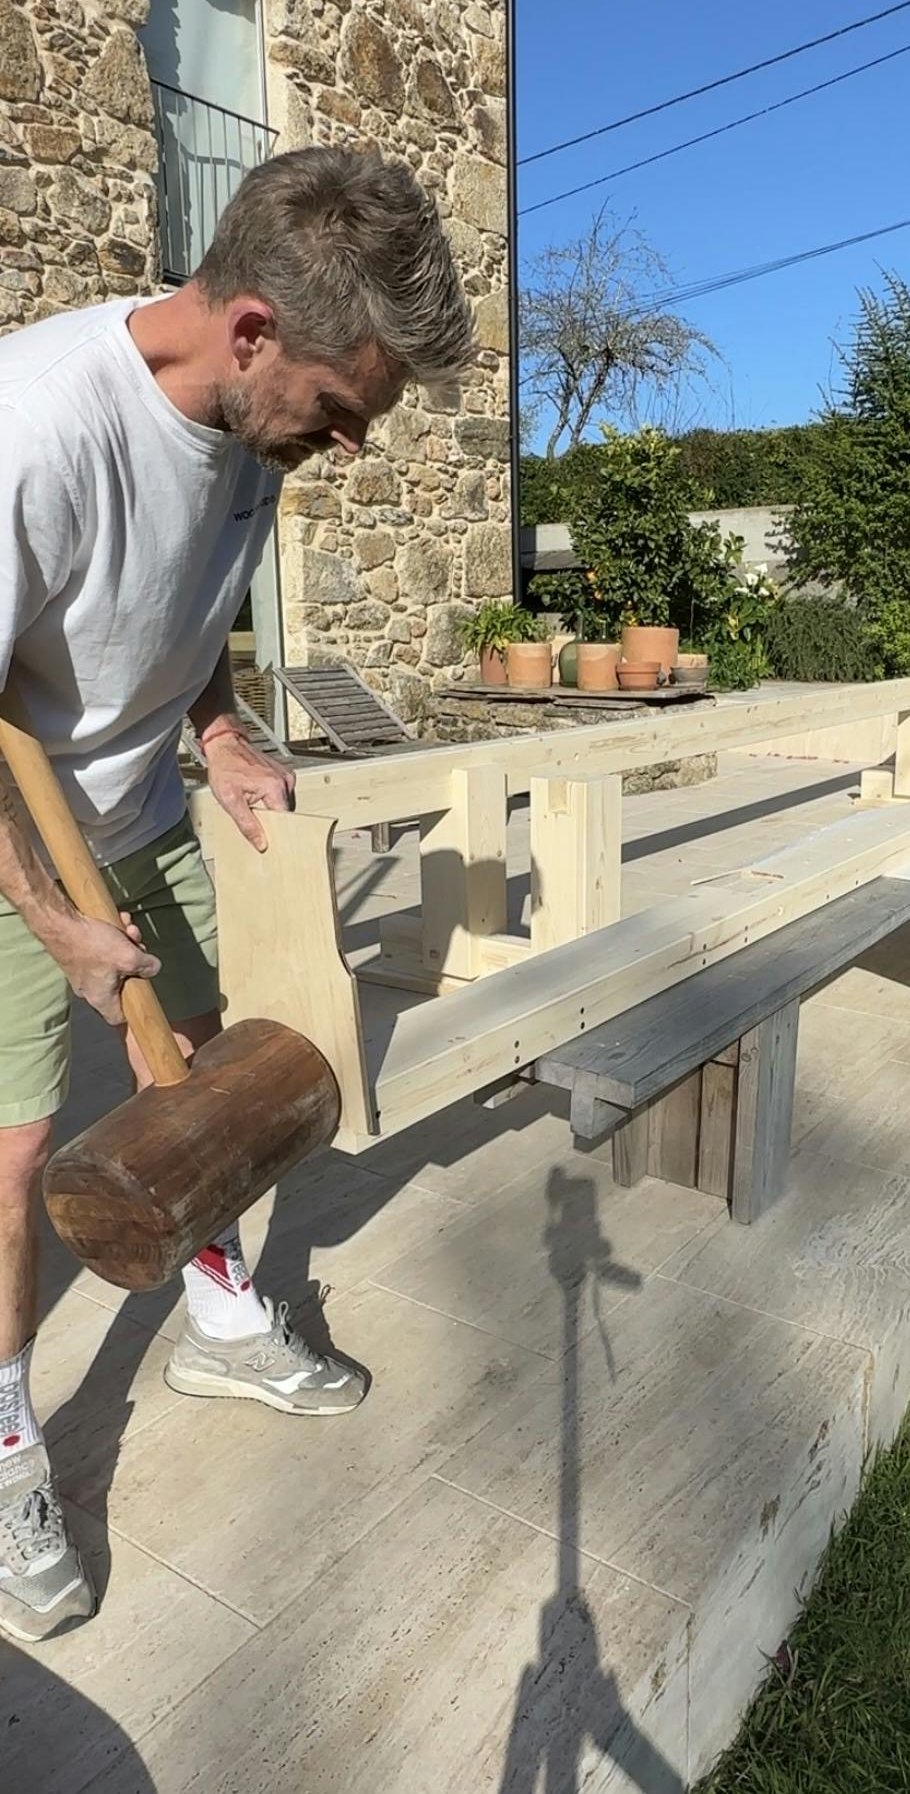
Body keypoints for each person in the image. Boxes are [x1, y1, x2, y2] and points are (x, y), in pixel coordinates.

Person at [0, 146, 475, 1640]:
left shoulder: (251, 432)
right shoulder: (35, 425)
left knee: (206, 1073)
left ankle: (210, 1313)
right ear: (255, 329)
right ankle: (7, 1439)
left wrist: (216, 730)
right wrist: (54, 920)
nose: (339, 448)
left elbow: (189, 617)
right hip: (14, 815)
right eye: (340, 413)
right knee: (14, 1151)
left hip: (134, 796)